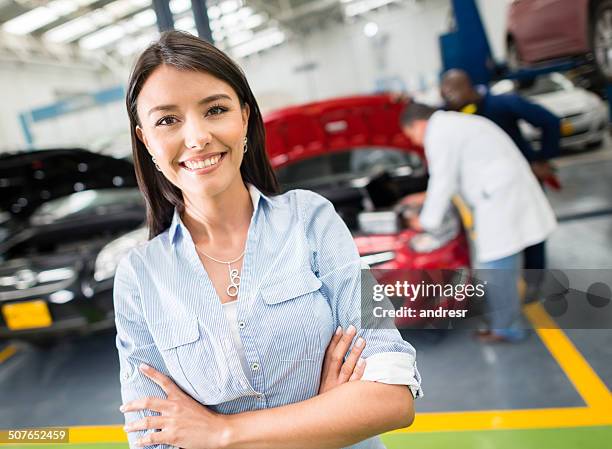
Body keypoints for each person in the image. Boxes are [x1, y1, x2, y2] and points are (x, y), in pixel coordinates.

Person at [114, 31, 422, 449]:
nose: (197, 137)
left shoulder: (312, 219)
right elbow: (156, 440)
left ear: (244, 117)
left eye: (215, 110)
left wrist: (222, 432)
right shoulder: (139, 275)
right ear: (145, 139)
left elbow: (391, 395)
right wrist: (327, 415)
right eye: (168, 120)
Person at [400, 103, 557, 343]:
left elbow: (443, 180)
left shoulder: (439, 133)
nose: (415, 142)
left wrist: (426, 222)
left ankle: (508, 328)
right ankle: (506, 322)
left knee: (496, 265)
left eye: (411, 135)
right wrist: (423, 198)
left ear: (418, 124)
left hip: (499, 200)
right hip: (502, 194)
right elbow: (455, 175)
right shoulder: (454, 124)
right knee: (500, 263)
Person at [441, 69, 561, 297]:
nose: (449, 98)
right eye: (445, 93)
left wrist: (543, 159)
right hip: (488, 193)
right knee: (501, 239)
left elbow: (550, 121)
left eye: (454, 91)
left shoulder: (503, 104)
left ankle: (533, 283)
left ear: (470, 87)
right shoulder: (450, 114)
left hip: (523, 182)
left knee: (531, 233)